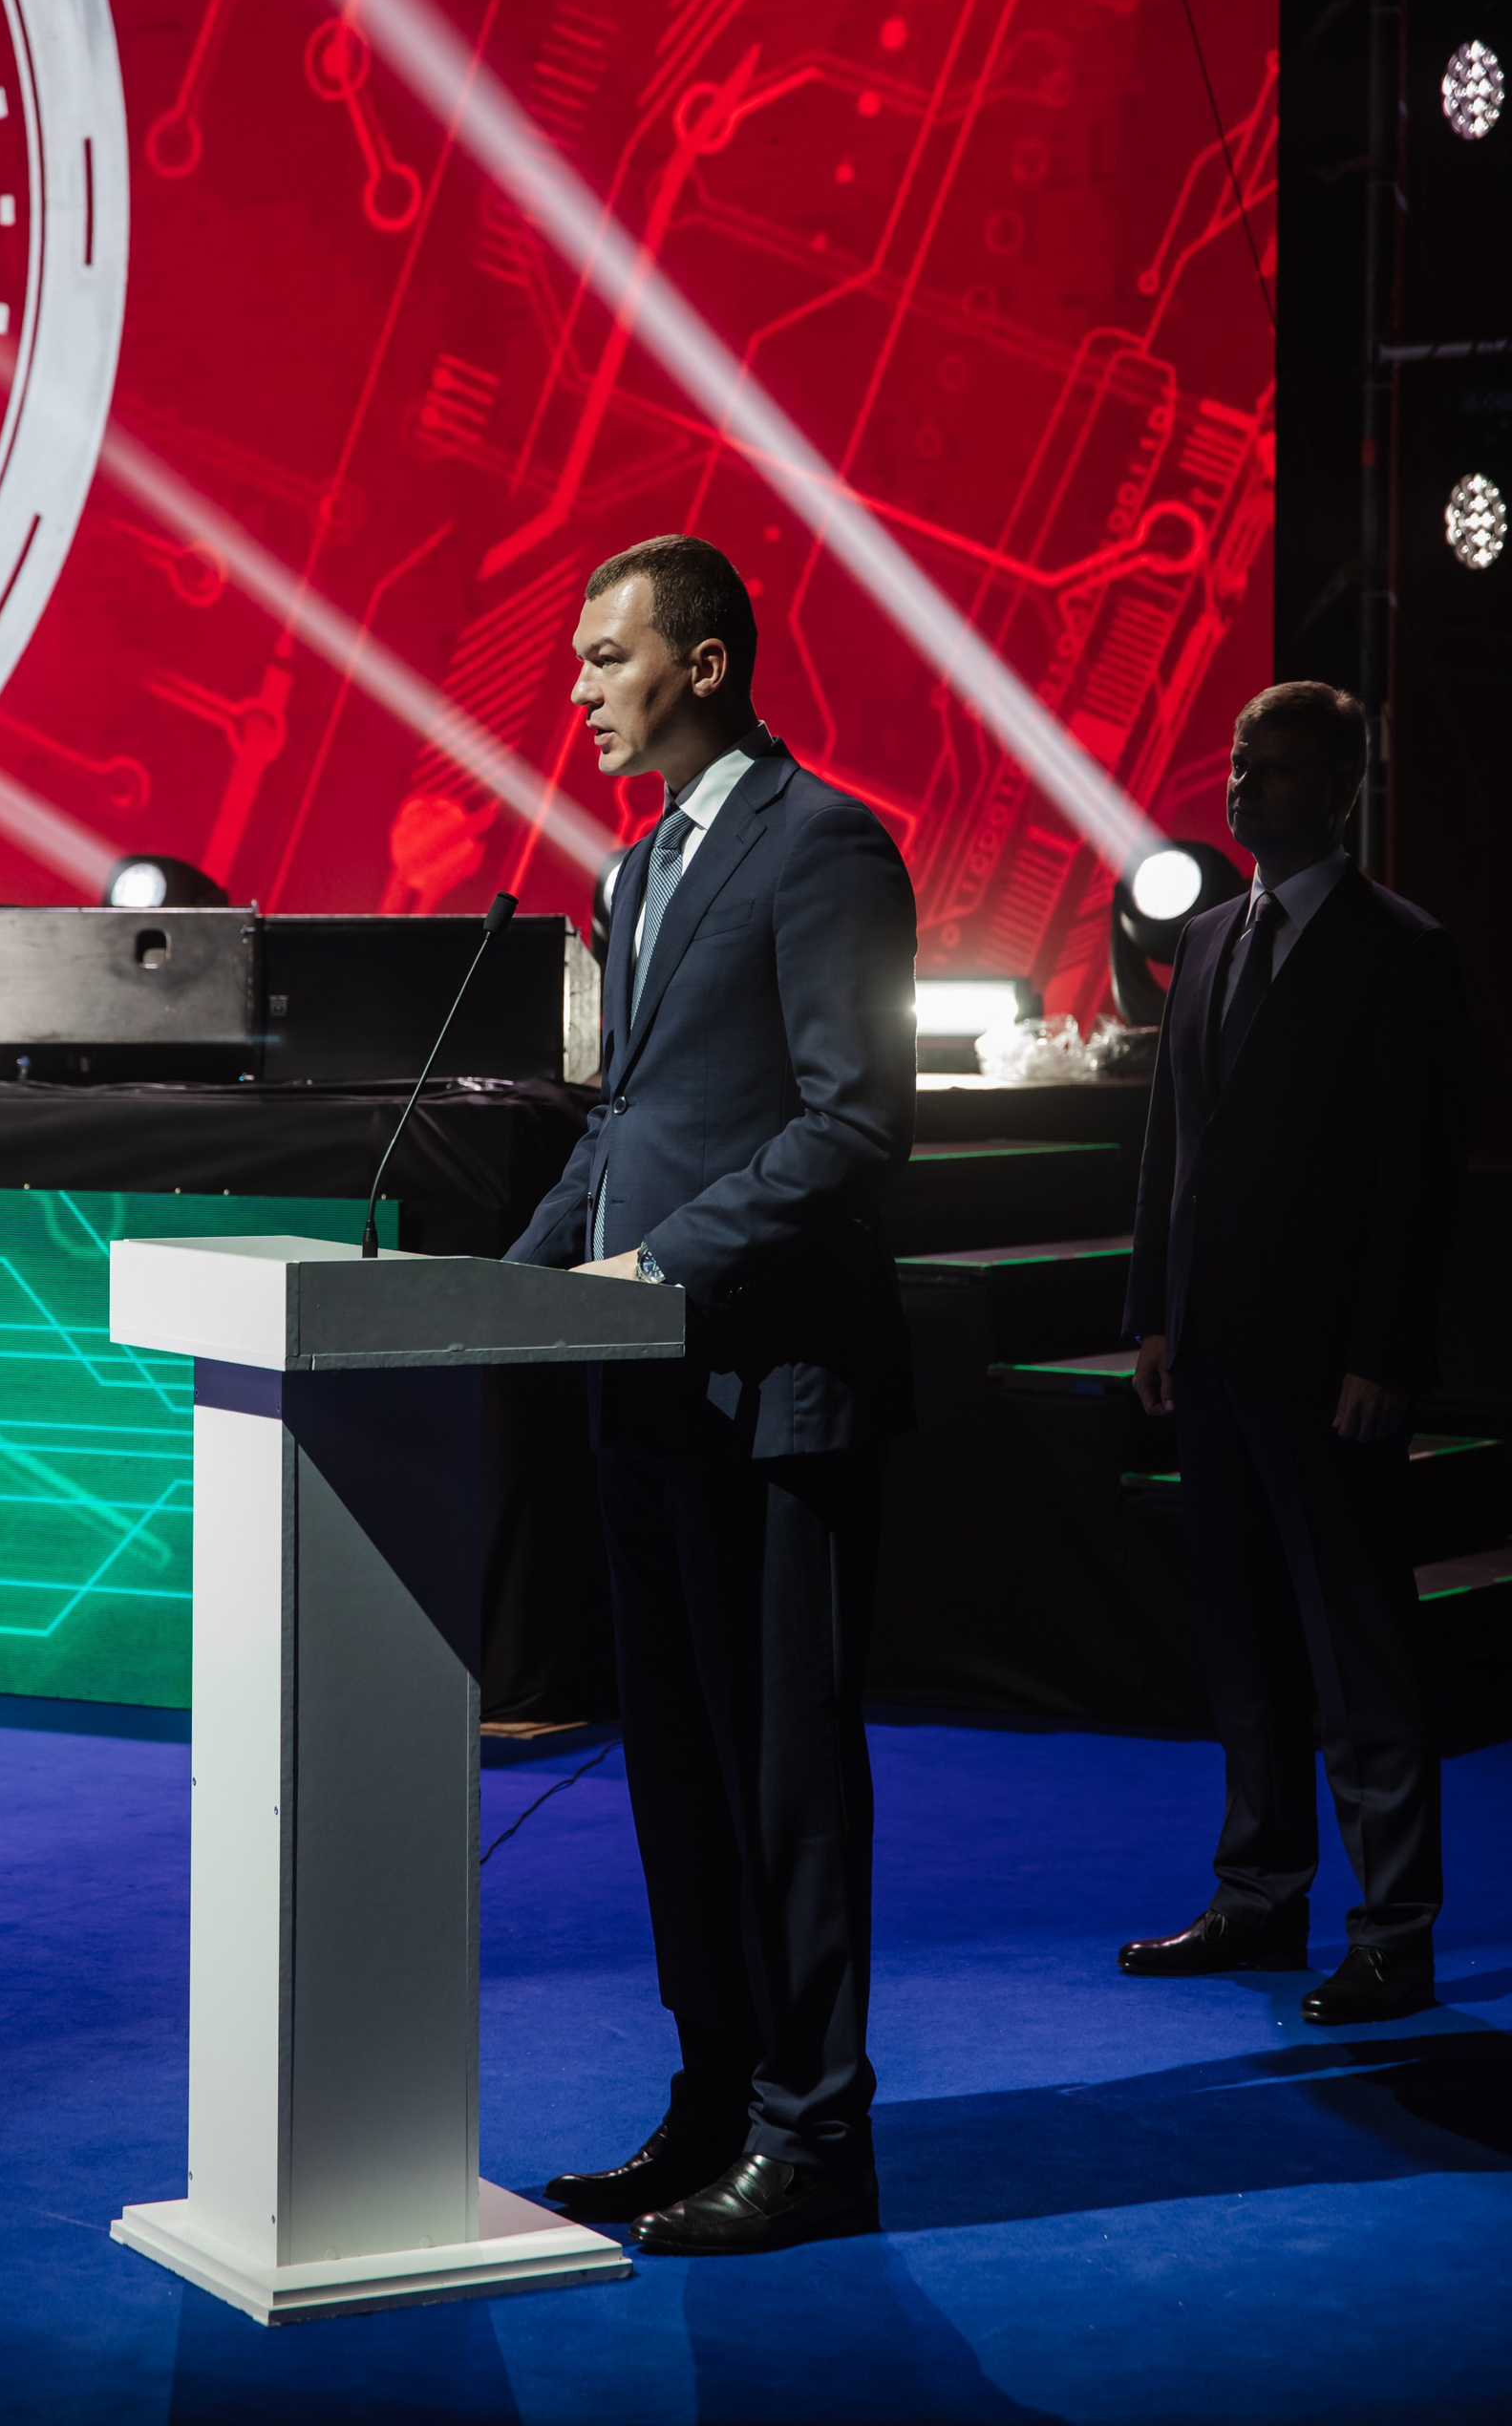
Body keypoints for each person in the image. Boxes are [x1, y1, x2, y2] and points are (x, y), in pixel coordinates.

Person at [505, 534, 916, 2255]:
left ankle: (815, 2140)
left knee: (781, 1781)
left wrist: (664, 1266)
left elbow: (854, 1120)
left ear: (710, 662)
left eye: (608, 659)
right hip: (647, 1400)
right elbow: (621, 1125)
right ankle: (714, 2102)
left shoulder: (823, 844)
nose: (582, 693)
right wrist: (506, 1283)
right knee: (676, 1776)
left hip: (772, 1392)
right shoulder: (638, 865)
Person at [1121, 681, 1465, 2023]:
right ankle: (1260, 1897)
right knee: (1247, 1643)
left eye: (1269, 767)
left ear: (1341, 791)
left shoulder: (1401, 949)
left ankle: (1394, 1932)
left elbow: (1418, 1179)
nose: (1240, 784)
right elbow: (1173, 1143)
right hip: (1212, 1349)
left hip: (1331, 1367)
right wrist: (1155, 1310)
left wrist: (1384, 1349)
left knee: (1357, 1651)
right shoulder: (1210, 936)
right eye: (1236, 761)